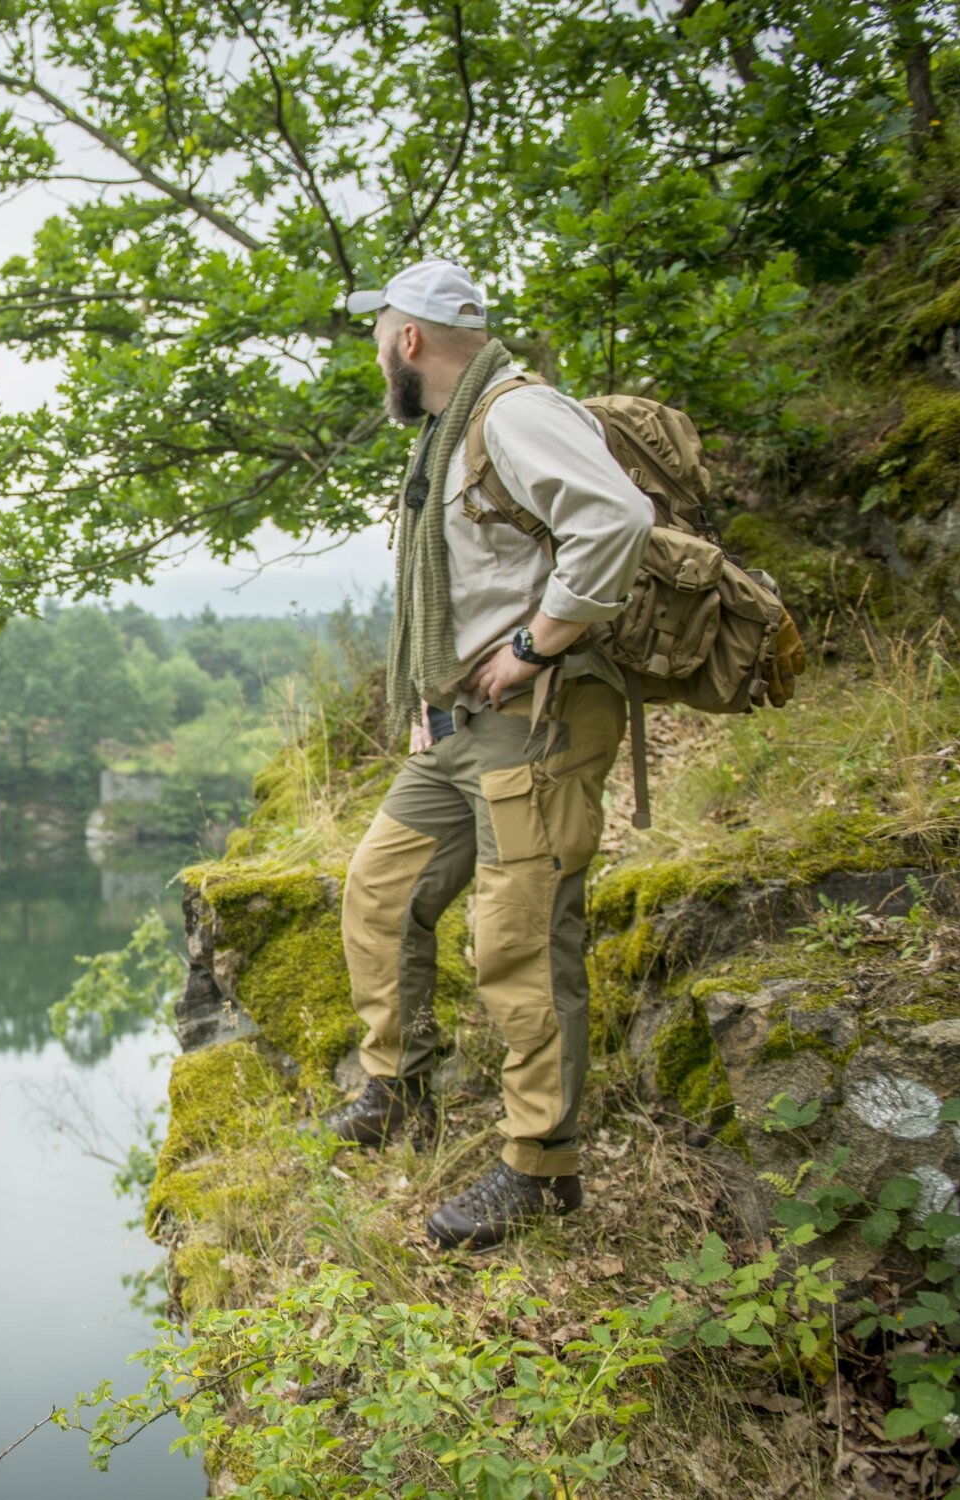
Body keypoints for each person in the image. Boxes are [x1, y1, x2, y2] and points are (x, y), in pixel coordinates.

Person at [320, 260, 653, 1251]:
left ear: (409, 340)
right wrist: (433, 696)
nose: (376, 355)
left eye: (378, 336)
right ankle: (398, 1090)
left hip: (535, 720)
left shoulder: (512, 412)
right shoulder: (445, 433)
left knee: (520, 940)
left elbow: (616, 519)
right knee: (380, 894)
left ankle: (540, 1168)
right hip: (457, 728)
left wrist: (533, 644)